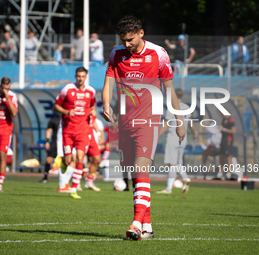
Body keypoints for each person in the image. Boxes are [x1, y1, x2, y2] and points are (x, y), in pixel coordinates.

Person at [102, 16, 185, 241]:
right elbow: (108, 81)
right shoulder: (116, 54)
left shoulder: (159, 54)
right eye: (123, 40)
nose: (127, 44)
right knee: (138, 176)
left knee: (141, 169)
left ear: (141, 33)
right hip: (125, 124)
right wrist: (106, 103)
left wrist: (179, 120)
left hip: (149, 122)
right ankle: (147, 227)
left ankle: (136, 223)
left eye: (130, 39)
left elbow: (169, 90)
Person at [53, 67, 96, 199]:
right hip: (68, 131)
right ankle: (64, 167)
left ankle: (74, 189)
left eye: (83, 76)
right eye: (78, 76)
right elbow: (55, 106)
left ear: (86, 77)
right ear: (75, 76)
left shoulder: (91, 91)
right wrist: (66, 112)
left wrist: (93, 112)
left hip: (82, 131)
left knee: (80, 158)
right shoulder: (67, 90)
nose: (80, 78)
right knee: (67, 159)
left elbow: (92, 106)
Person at [157, 88, 198, 194]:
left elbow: (167, 124)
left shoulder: (171, 107)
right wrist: (194, 132)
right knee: (178, 163)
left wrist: (157, 136)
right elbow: (190, 122)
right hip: (182, 138)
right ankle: (185, 178)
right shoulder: (186, 107)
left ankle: (168, 188)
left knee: (172, 164)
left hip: (173, 136)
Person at [39, 114, 61, 183]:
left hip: (65, 142)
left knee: (68, 161)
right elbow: (49, 131)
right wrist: (47, 141)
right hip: (55, 143)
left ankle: (67, 179)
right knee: (48, 160)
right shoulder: (53, 120)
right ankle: (45, 177)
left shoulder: (68, 119)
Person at [216, 113, 236, 180]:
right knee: (221, 155)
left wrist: (224, 129)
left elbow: (233, 131)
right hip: (223, 140)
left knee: (228, 156)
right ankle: (220, 172)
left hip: (228, 140)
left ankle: (228, 173)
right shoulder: (223, 119)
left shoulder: (230, 120)